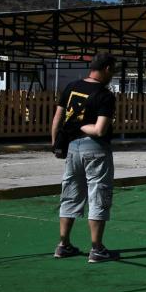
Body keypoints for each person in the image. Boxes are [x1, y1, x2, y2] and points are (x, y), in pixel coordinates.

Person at [50, 53, 119, 264]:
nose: (113, 74)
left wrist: (56, 144)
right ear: (106, 68)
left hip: (72, 148)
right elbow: (99, 130)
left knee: (70, 192)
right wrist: (81, 125)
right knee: (98, 193)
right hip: (96, 149)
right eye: (113, 70)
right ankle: (97, 248)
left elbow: (58, 118)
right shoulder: (105, 95)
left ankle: (63, 244)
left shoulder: (71, 87)